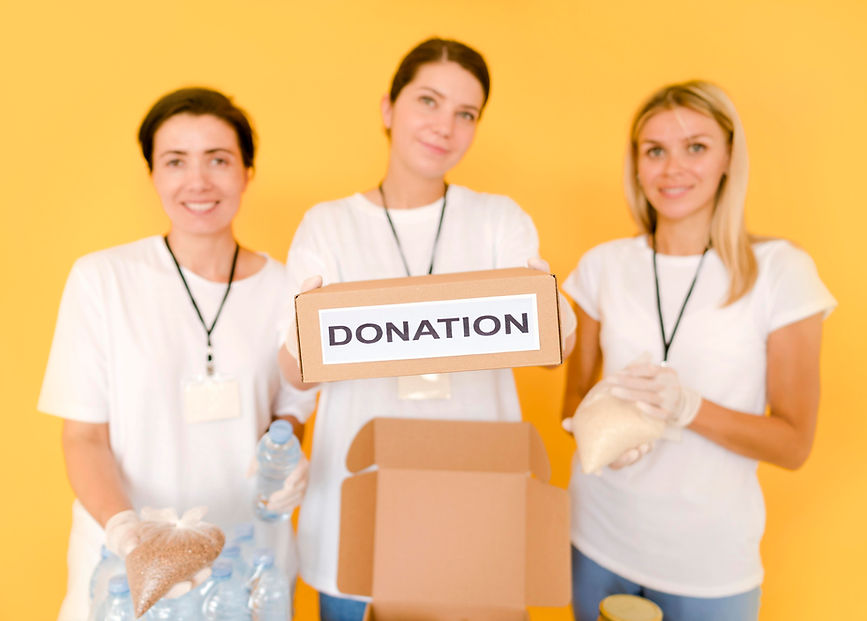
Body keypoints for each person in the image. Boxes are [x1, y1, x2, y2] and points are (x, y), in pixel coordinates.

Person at [278, 38, 576, 621]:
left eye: (466, 114)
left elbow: (550, 350)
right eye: (430, 101)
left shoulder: (498, 220)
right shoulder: (329, 226)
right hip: (357, 510)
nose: (446, 126)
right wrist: (302, 338)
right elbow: (296, 373)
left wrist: (551, 316)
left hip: (476, 509)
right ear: (389, 108)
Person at [560, 80, 836, 621]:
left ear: (729, 156)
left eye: (696, 147)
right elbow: (570, 406)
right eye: (654, 150)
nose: (672, 169)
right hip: (594, 539)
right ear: (636, 164)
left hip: (707, 567)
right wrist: (602, 426)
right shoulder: (603, 267)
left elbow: (794, 445)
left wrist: (687, 407)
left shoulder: (780, 272)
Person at [38, 87, 311, 621]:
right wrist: (125, 531)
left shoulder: (288, 288)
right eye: (175, 161)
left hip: (246, 566)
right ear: (153, 175)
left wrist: (291, 461)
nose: (198, 181)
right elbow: (83, 436)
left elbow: (287, 416)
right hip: (124, 569)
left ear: (247, 171)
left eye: (219, 159)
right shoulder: (103, 280)